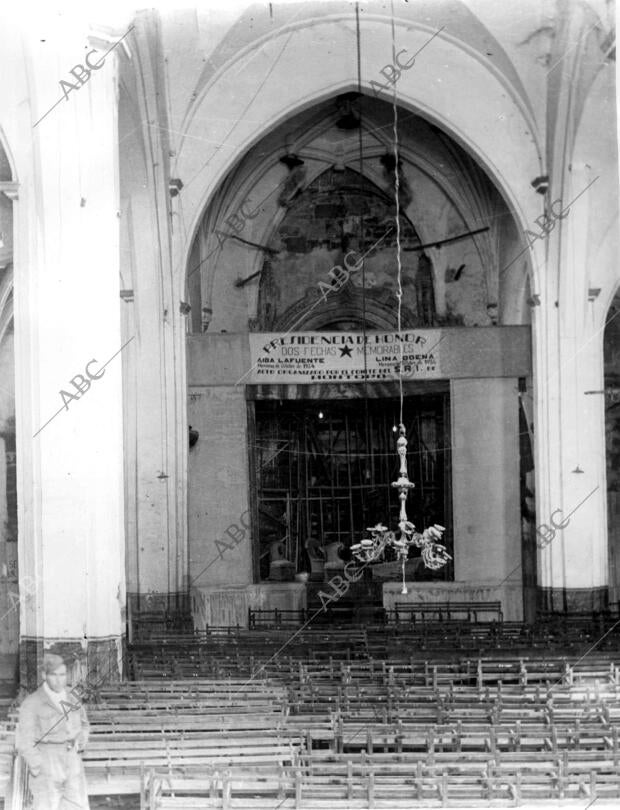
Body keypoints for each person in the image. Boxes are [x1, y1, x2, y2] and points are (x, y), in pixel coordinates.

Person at [16, 653, 90, 809]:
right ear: (44, 675)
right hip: (47, 761)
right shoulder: (33, 703)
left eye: (63, 675)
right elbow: (24, 741)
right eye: (54, 675)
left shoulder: (72, 699)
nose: (59, 680)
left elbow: (84, 724)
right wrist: (38, 766)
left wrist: (81, 741)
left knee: (77, 806)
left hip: (72, 760)